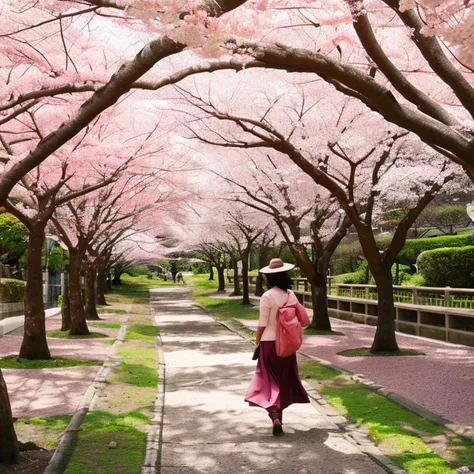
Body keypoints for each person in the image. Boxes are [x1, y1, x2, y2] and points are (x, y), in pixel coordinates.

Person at [244, 258, 310, 436]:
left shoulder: (267, 296)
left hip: (269, 343)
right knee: (282, 380)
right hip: (287, 345)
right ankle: (279, 417)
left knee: (267, 381)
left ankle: (274, 416)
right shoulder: (290, 295)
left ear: (269, 278)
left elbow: (262, 323)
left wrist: (257, 341)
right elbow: (303, 319)